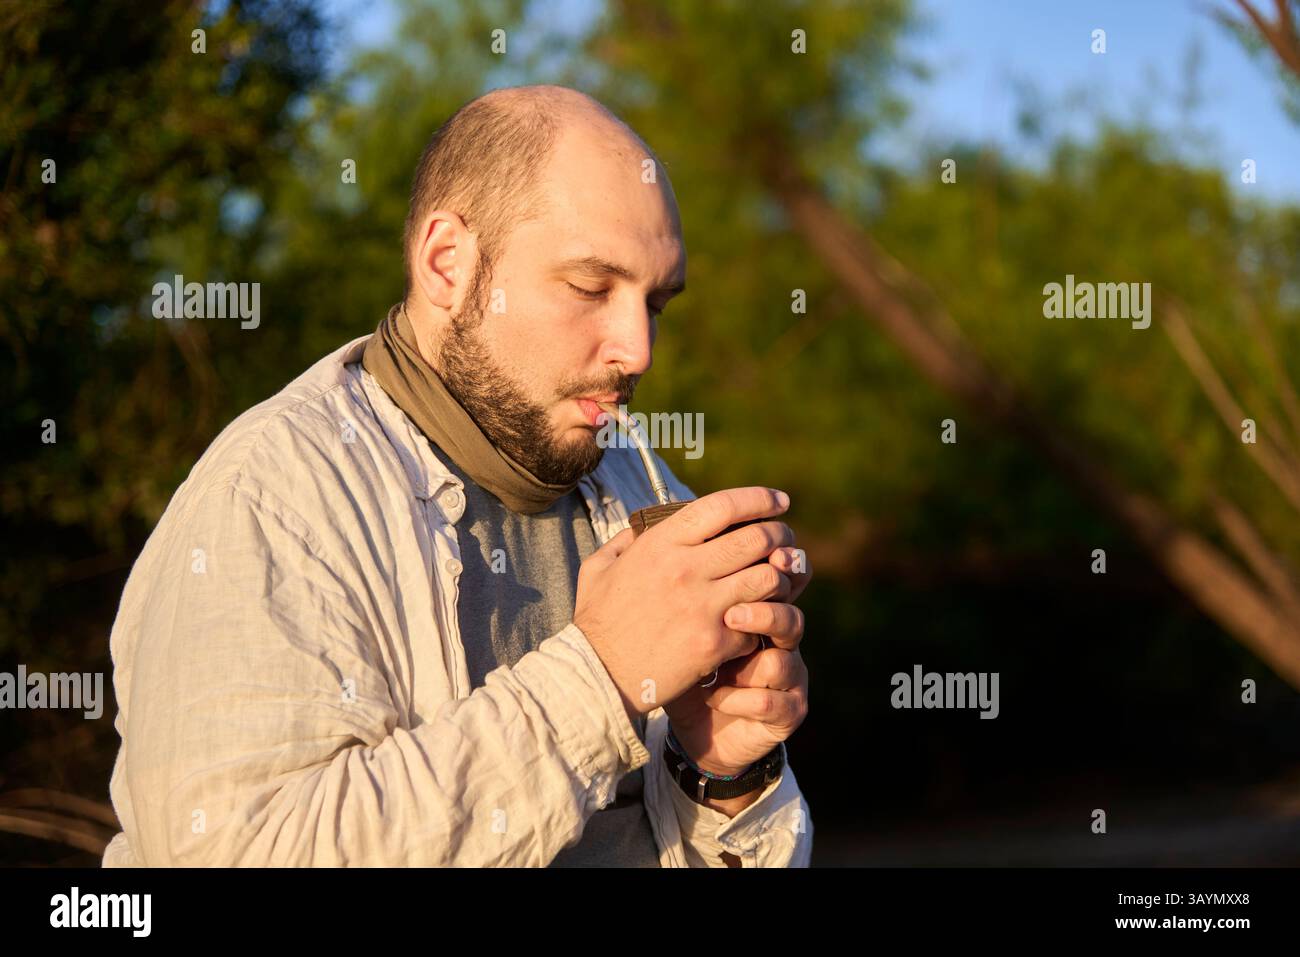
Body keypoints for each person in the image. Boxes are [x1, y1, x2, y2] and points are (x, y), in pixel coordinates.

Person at [102, 84, 813, 867]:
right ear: (448, 264)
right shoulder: (269, 500)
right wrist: (602, 675)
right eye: (589, 288)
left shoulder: (638, 485)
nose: (637, 349)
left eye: (657, 303)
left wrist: (720, 768)